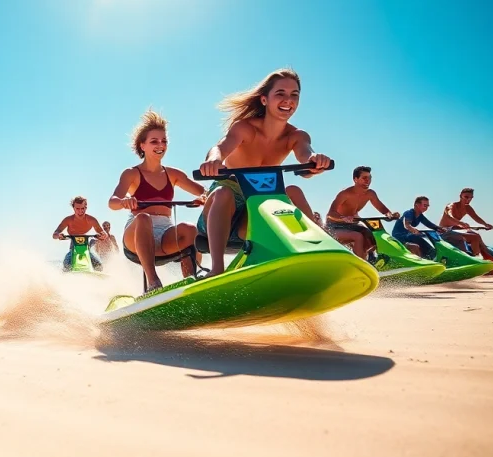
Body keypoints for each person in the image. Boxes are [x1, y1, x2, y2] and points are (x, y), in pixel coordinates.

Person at [198, 68, 332, 277]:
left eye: (294, 95)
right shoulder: (244, 128)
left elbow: (306, 155)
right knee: (223, 192)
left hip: (259, 206)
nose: (288, 100)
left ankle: (317, 255)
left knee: (294, 190)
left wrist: (314, 162)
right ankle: (216, 269)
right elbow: (220, 147)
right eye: (280, 93)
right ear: (264, 100)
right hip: (225, 204)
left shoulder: (296, 135)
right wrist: (213, 160)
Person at [109, 110, 205, 292]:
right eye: (154, 141)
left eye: (164, 141)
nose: (160, 145)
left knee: (191, 228)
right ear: (142, 145)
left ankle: (192, 283)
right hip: (137, 233)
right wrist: (124, 202)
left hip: (166, 234)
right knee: (143, 217)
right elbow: (112, 202)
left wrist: (203, 198)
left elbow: (205, 193)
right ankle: (154, 283)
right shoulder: (131, 173)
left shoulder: (174, 174)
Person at [323, 166, 400, 259]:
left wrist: (390, 215)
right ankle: (361, 263)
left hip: (351, 225)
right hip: (333, 227)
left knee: (373, 236)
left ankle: (369, 259)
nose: (368, 181)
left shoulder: (370, 194)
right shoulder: (345, 194)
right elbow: (330, 214)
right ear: (355, 179)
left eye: (369, 178)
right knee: (358, 236)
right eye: (364, 178)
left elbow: (382, 208)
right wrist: (343, 218)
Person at [53, 196, 109, 271]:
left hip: (86, 249)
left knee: (99, 266)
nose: (80, 211)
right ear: (73, 208)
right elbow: (55, 234)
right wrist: (59, 235)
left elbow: (101, 232)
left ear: (86, 208)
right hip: (73, 248)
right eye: (77, 209)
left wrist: (103, 235)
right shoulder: (68, 220)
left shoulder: (91, 220)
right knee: (66, 265)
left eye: (82, 208)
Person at [439, 188, 493, 257]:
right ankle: (477, 258)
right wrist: (460, 223)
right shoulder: (451, 205)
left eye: (471, 197)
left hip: (455, 230)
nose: (468, 199)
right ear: (460, 196)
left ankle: (489, 255)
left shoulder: (467, 208)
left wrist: (486, 224)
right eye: (466, 197)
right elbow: (449, 216)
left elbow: (476, 218)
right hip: (444, 232)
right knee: (475, 237)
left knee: (477, 235)